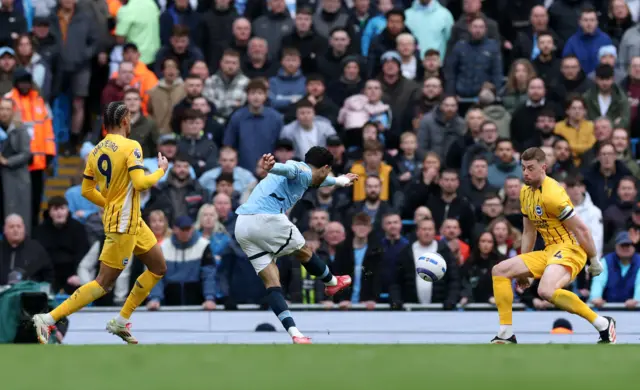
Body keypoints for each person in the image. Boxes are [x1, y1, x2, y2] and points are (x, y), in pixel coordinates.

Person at [32, 101, 170, 345]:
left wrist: (109, 202)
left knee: (158, 267)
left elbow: (86, 190)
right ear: (125, 120)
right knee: (103, 283)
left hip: (130, 219)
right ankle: (49, 318)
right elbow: (139, 183)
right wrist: (160, 171)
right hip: (122, 224)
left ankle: (122, 320)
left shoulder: (95, 151)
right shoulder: (131, 146)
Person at [490, 147, 615, 344]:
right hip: (550, 250)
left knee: (545, 291)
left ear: (543, 168)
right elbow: (529, 232)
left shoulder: (553, 194)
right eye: (523, 168)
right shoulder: (525, 193)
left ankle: (602, 323)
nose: (525, 173)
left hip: (571, 249)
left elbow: (581, 229)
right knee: (500, 270)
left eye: (530, 168)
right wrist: (524, 271)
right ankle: (506, 333)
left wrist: (593, 260)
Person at [234, 147, 357, 344]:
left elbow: (318, 180)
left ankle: (295, 334)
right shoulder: (301, 170)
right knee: (304, 251)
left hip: (242, 226)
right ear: (325, 168)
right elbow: (290, 170)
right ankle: (332, 283)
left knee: (272, 283)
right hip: (265, 218)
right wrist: (273, 167)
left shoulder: (309, 176)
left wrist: (340, 180)